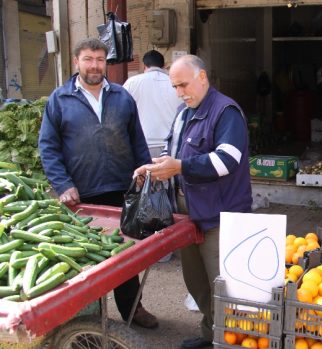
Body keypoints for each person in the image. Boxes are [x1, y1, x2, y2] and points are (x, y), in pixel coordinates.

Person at [133, 54, 252, 349]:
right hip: (188, 213)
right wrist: (154, 168)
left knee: (222, 286)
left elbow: (227, 160)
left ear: (202, 78)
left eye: (183, 85)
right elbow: (172, 152)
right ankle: (210, 335)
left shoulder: (226, 111)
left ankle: (230, 341)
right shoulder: (184, 112)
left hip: (219, 215)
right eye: (174, 87)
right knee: (196, 282)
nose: (179, 93)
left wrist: (180, 167)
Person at [38, 38, 158, 328]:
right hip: (81, 195)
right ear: (76, 62)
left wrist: (145, 175)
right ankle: (87, 319)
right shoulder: (60, 99)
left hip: (121, 190)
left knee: (125, 255)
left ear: (107, 62)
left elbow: (137, 140)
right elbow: (48, 147)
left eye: (100, 59)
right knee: (85, 258)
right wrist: (63, 183)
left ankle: (133, 309)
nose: (95, 65)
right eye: (89, 59)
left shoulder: (121, 96)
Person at [123, 50, 182, 158]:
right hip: (171, 145)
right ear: (164, 66)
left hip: (143, 144)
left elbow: (122, 112)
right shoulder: (177, 83)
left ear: (144, 66)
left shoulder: (132, 82)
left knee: (145, 174)